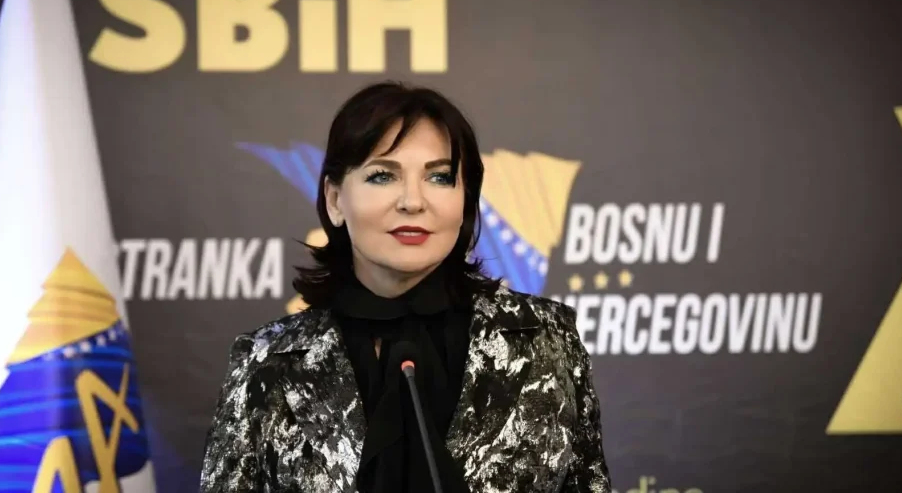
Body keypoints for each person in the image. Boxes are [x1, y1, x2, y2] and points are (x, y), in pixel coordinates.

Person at [199, 82, 611, 493]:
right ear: (335, 200)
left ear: (465, 199)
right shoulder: (266, 362)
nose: (413, 201)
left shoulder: (546, 338)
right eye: (382, 175)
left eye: (439, 177)